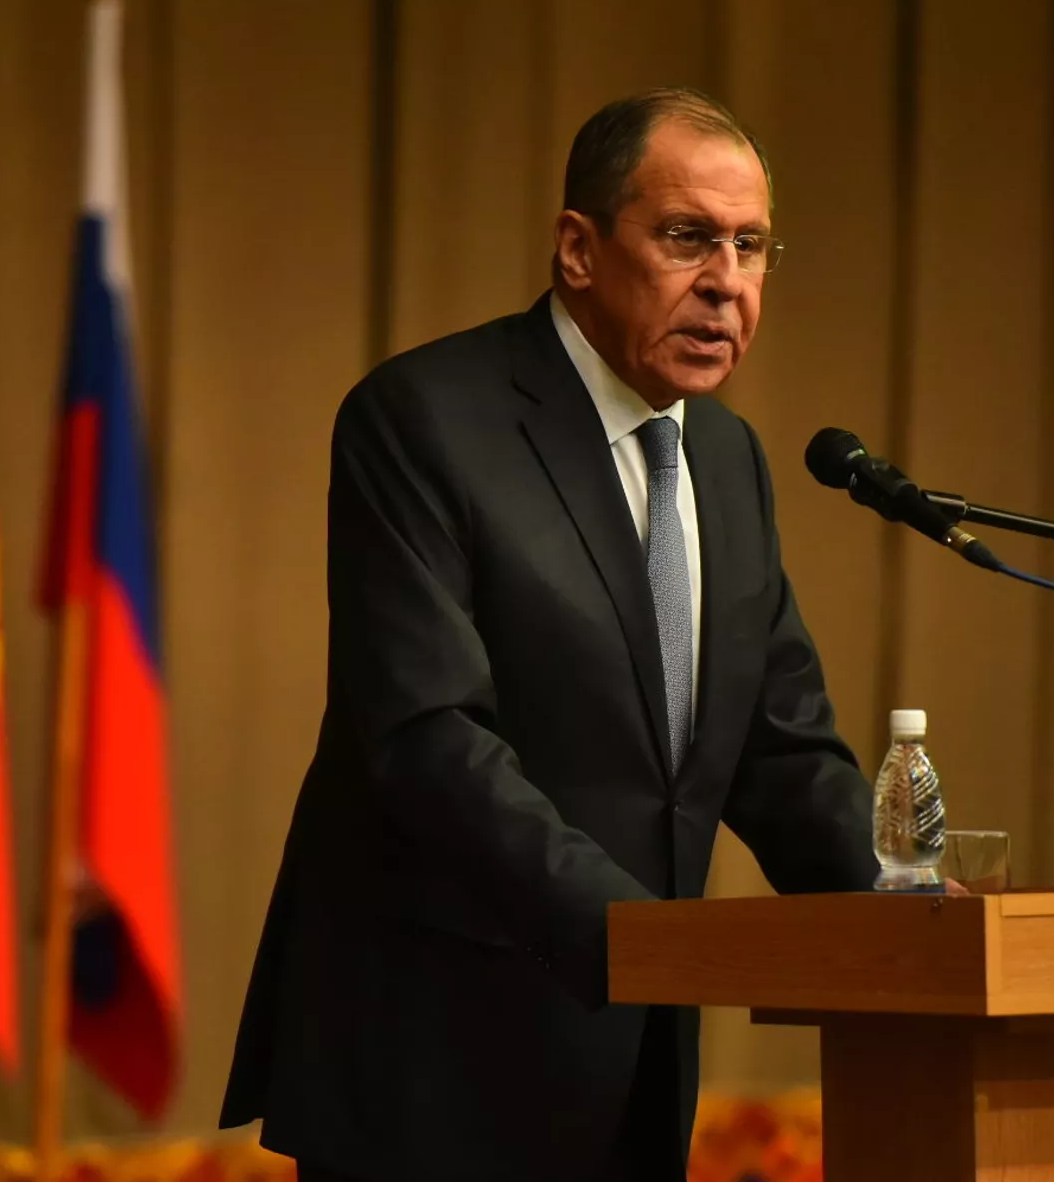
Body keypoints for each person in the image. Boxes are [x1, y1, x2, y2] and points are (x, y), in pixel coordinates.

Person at [219, 87, 878, 1182]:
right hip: (437, 1061)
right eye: (688, 237)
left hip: (636, 1061)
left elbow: (780, 747)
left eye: (752, 245)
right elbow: (427, 736)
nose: (727, 280)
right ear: (578, 248)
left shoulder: (728, 461)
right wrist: (636, 938)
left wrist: (909, 900)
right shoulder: (425, 419)